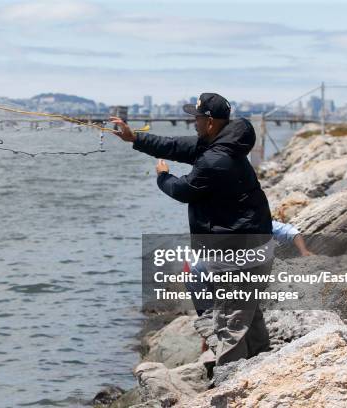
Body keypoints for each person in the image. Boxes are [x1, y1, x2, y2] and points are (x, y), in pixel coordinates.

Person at [111, 92, 273, 367]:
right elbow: (175, 145)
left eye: (196, 118)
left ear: (209, 122)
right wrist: (135, 138)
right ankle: (261, 364)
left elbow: (184, 190)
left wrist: (163, 176)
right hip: (252, 246)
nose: (193, 123)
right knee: (244, 310)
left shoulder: (215, 160)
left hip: (238, 252)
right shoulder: (222, 145)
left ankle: (233, 381)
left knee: (229, 323)